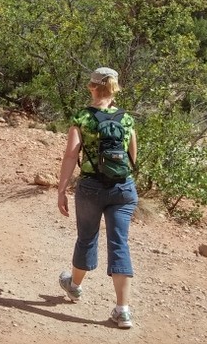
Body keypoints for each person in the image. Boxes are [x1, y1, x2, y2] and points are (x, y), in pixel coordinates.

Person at [56, 67, 138, 329]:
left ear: (92, 87)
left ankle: (75, 286)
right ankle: (123, 310)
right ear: (114, 88)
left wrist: (62, 189)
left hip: (91, 187)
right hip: (123, 188)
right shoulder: (126, 119)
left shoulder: (82, 117)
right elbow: (132, 157)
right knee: (119, 244)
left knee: (87, 237)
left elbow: (71, 155)